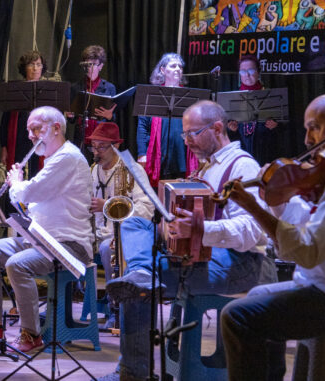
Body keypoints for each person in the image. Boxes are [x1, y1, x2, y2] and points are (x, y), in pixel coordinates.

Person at [104, 100, 278, 381]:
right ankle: (140, 272)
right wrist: (167, 229)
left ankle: (133, 374)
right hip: (206, 257)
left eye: (192, 133)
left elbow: (252, 232)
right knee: (135, 224)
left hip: (243, 264)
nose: (187, 141)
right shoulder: (204, 169)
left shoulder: (242, 167)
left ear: (218, 128)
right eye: (184, 135)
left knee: (135, 288)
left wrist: (198, 230)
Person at [220, 91, 325, 380]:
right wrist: (278, 199)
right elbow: (310, 226)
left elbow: (307, 251)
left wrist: (254, 206)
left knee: (237, 317)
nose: (307, 140)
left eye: (314, 127)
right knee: (256, 296)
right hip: (323, 285)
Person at [0, 106, 94, 353]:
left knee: (17, 264)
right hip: (42, 239)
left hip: (68, 244)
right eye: (28, 130)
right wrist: (21, 192)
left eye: (36, 129)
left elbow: (27, 192)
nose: (30, 136)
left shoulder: (68, 157)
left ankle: (31, 334)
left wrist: (16, 183)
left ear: (56, 128)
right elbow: (31, 202)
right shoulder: (53, 160)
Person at [88, 121, 154, 283]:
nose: (96, 152)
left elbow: (147, 208)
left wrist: (110, 206)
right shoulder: (94, 169)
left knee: (106, 248)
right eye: (93, 146)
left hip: (124, 235)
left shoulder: (132, 169)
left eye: (101, 147)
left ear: (115, 146)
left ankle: (117, 298)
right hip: (97, 233)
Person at [136, 53, 198, 187]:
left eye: (180, 67)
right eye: (173, 66)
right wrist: (142, 153)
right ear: (163, 70)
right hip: (159, 156)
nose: (178, 69)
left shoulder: (189, 96)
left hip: (181, 154)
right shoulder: (152, 95)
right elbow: (142, 126)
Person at [0, 50, 47, 179]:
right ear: (24, 68)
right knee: (17, 175)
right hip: (19, 140)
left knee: (36, 175)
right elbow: (5, 122)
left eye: (38, 64)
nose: (35, 68)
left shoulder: (48, 91)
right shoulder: (14, 89)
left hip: (40, 140)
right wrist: (4, 147)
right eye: (31, 64)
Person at [226, 55, 281, 165]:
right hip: (241, 155)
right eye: (242, 71)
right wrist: (232, 130)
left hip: (265, 154)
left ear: (258, 72)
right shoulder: (232, 99)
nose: (247, 75)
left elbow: (283, 130)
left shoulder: (270, 97)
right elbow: (228, 136)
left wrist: (274, 127)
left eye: (251, 70)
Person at [71, 45, 117, 152]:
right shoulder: (76, 87)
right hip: (81, 138)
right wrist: (70, 115)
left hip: (102, 139)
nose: (89, 68)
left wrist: (110, 116)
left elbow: (113, 118)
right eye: (87, 64)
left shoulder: (109, 88)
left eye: (93, 64)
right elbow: (72, 120)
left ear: (101, 66)